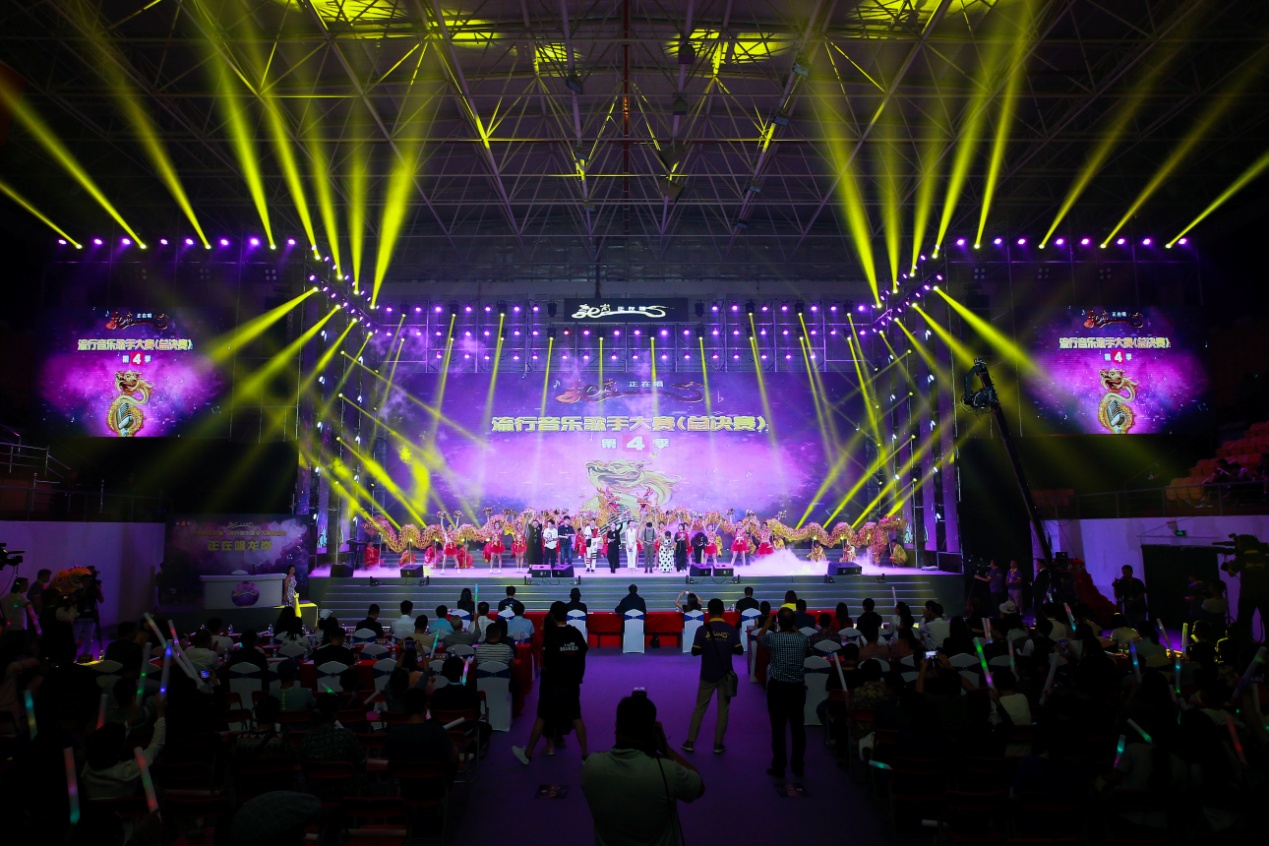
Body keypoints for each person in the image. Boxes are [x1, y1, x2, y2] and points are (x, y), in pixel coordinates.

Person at [582, 694, 705, 846]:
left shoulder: (592, 765)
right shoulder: (667, 771)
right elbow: (698, 786)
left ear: (616, 726)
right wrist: (666, 749)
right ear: (652, 732)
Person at [513, 601, 589, 764]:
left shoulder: (551, 636)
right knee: (576, 717)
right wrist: (577, 676)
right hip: (571, 684)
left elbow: (546, 662)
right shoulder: (575, 633)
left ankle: (527, 754)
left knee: (542, 717)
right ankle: (585, 756)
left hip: (552, 685)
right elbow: (583, 652)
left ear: (552, 616)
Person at [682, 598, 743, 755]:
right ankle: (718, 744)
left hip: (707, 673)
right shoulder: (731, 630)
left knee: (700, 708)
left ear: (708, 612)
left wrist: (708, 647)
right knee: (723, 710)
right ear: (723, 611)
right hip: (725, 674)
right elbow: (739, 650)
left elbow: (695, 651)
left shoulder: (702, 630)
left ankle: (690, 742)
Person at [756, 607, 809, 778]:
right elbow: (802, 636)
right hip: (797, 689)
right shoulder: (803, 639)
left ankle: (779, 767)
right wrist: (792, 625)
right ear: (794, 623)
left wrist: (767, 624)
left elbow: (759, 638)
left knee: (778, 729)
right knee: (798, 728)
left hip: (778, 688)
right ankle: (798, 766)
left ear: (778, 622)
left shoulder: (773, 638)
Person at [82, 698, 167, 798]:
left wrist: (132, 717)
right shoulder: (129, 771)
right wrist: (160, 713)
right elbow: (156, 744)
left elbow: (118, 735)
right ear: (117, 751)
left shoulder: (86, 770)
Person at [388, 688, 458, 779]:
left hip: (406, 785)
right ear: (425, 707)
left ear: (404, 708)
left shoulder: (394, 734)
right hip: (435, 784)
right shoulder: (437, 731)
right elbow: (453, 757)